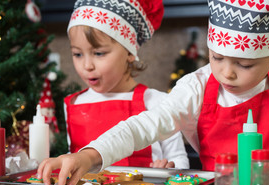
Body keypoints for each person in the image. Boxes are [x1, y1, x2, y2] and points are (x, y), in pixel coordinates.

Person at [39, 0, 269, 185]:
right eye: (217, 58)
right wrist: (88, 156)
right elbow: (143, 126)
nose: (226, 73)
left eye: (244, 64)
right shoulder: (196, 87)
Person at [60, 0, 189, 169]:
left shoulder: (157, 102)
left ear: (129, 52)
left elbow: (179, 159)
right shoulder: (74, 104)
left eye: (99, 53)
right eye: (77, 54)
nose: (87, 66)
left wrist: (170, 169)